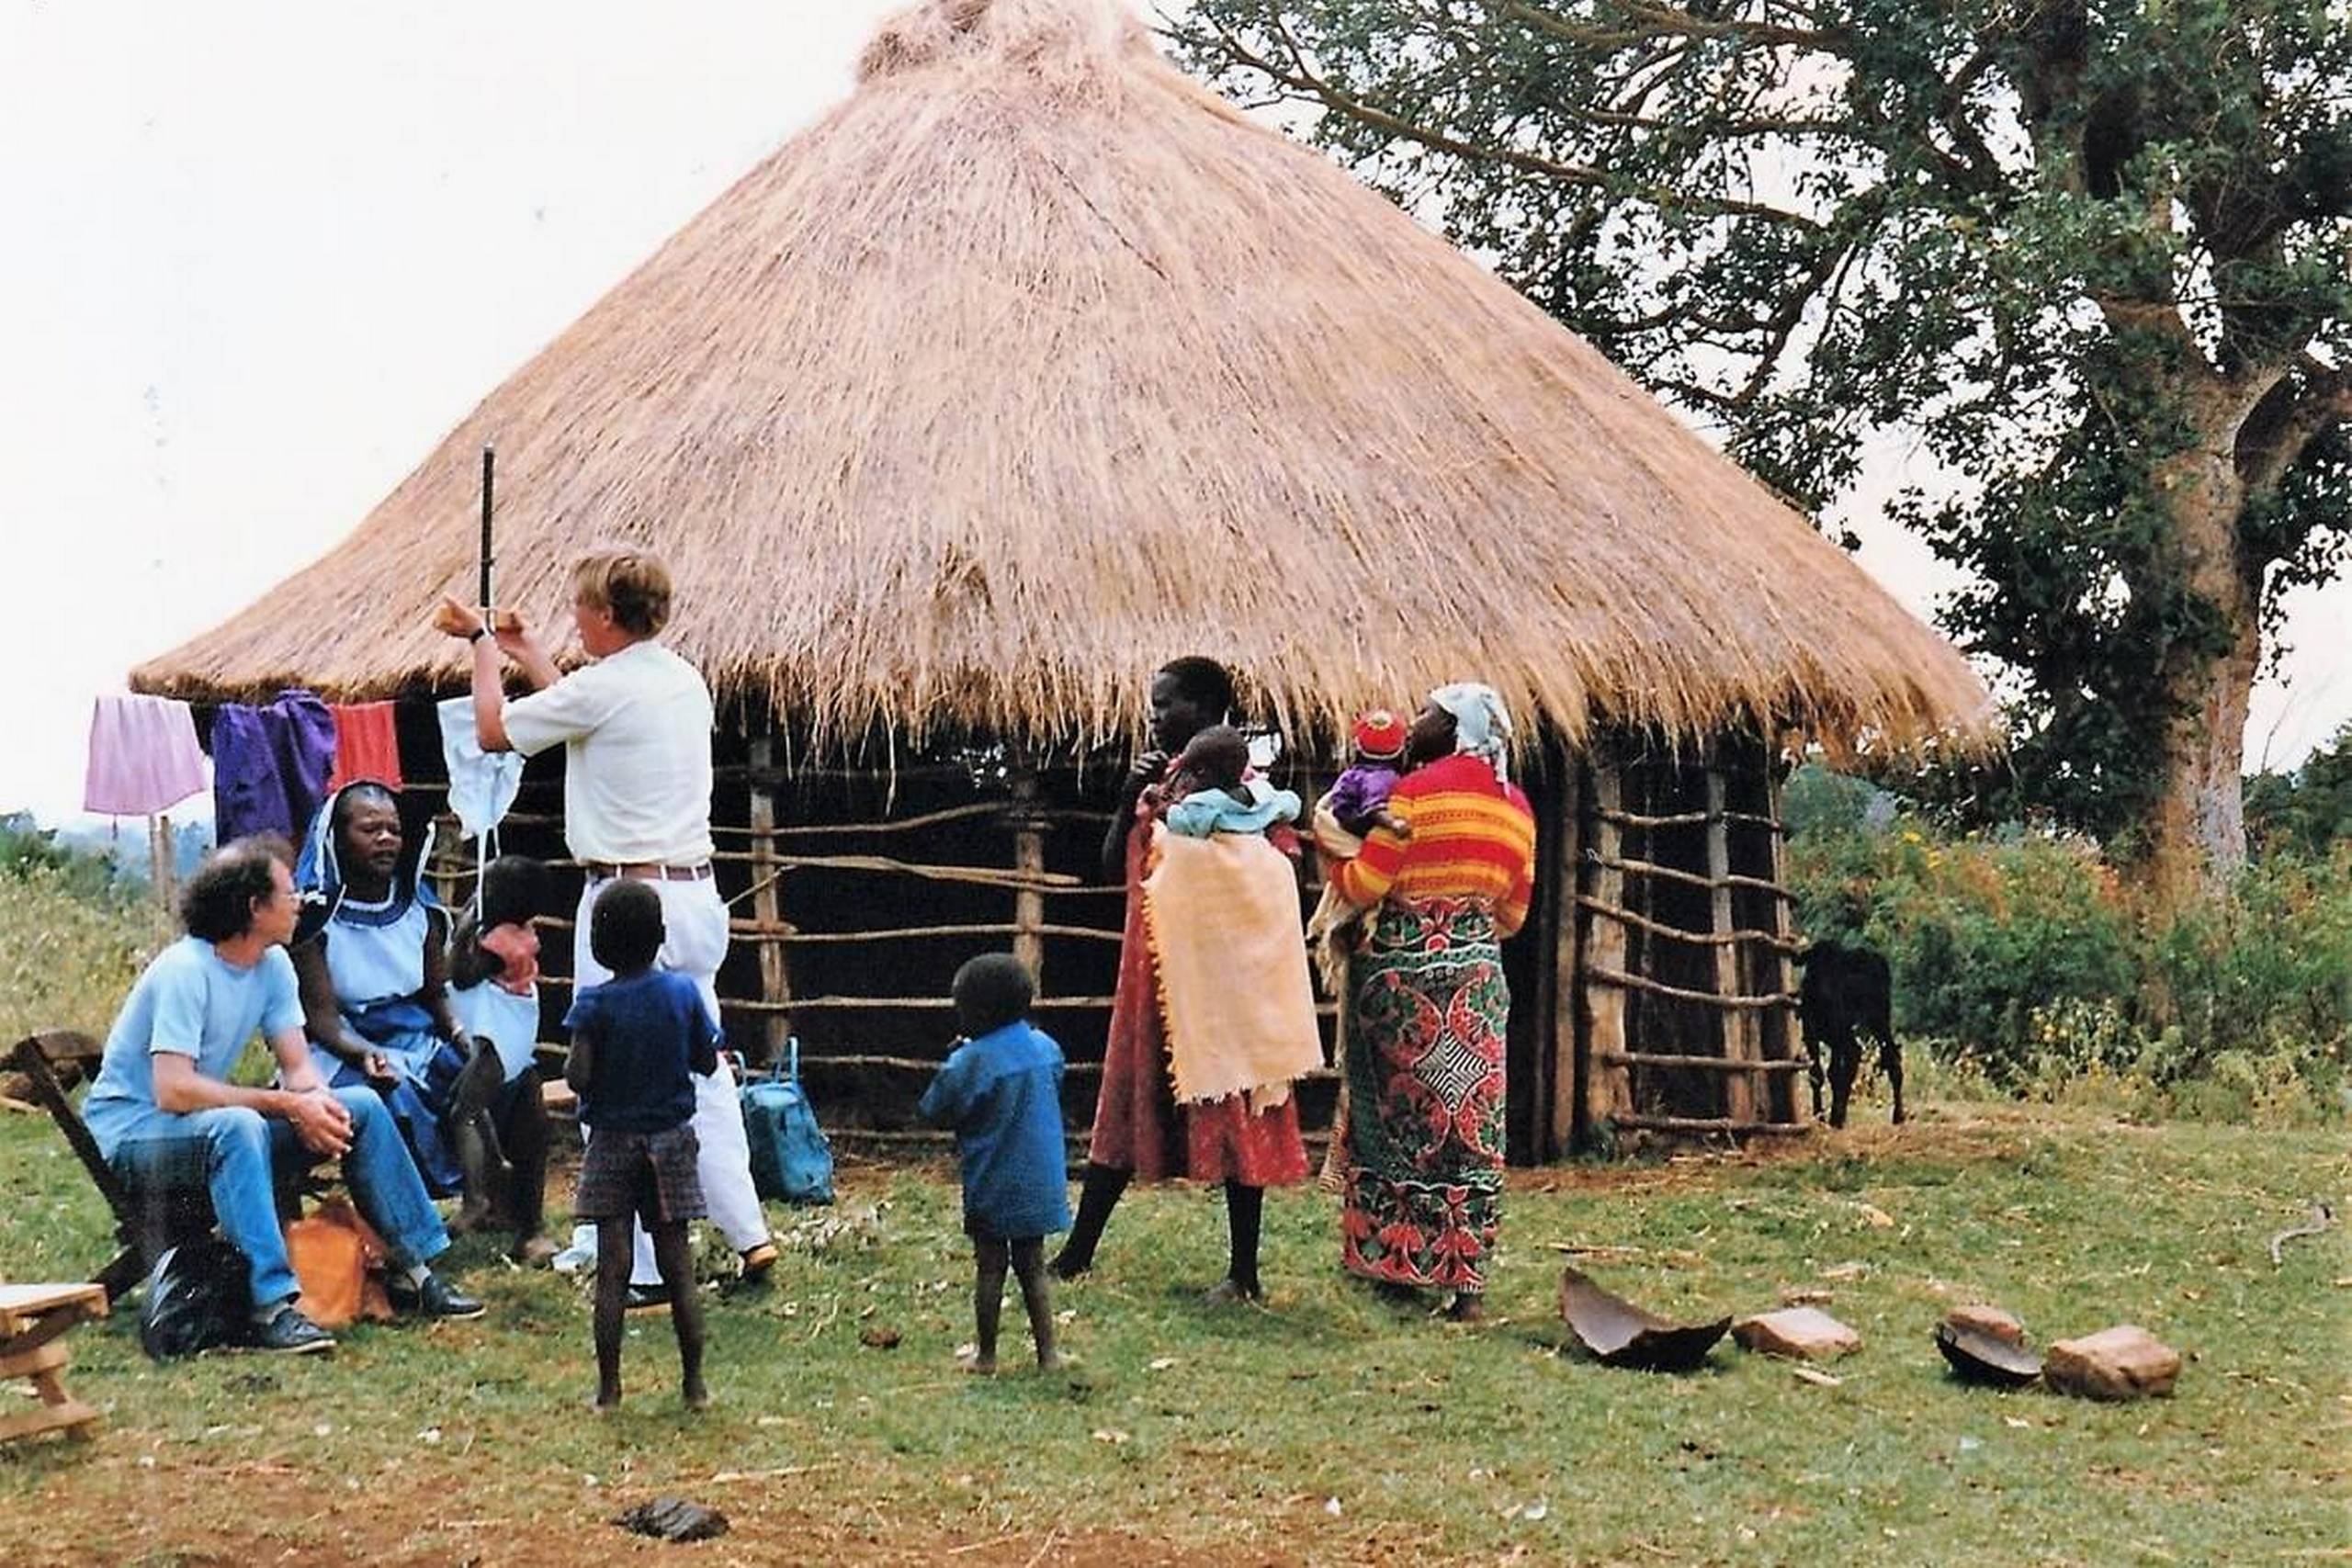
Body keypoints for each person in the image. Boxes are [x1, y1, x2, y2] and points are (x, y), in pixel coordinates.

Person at [437, 547, 776, 1303]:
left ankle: (650, 1270)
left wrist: (482, 646)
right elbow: (584, 710)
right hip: (693, 896)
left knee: (618, 1083)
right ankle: (749, 1234)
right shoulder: (678, 680)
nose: (575, 617)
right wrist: (527, 651)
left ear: (607, 616)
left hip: (626, 903)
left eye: (582, 607)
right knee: (704, 1067)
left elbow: (493, 730)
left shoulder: (607, 688)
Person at [82, 838, 482, 1355]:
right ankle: (270, 1305)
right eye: (289, 893)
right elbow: (174, 1089)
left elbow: (299, 1067)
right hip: (137, 1136)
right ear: (254, 907)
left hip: (202, 1127)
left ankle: (415, 1270)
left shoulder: (272, 966)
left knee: (357, 1103)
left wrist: (316, 1103)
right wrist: (288, 1106)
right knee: (239, 1124)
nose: (301, 902)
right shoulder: (186, 970)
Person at [1051, 658, 1313, 1302]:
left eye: (1167, 704)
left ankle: (1244, 1272)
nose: (1155, 715)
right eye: (1154, 703)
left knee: (1235, 1105)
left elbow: (1274, 878)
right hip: (1152, 973)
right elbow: (1118, 866)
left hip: (1221, 987)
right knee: (1126, 1099)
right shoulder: (1159, 788)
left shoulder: (1249, 793)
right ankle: (1077, 1252)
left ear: (1207, 706)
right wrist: (1124, 804)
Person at [1329, 683, 1537, 1322]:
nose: (1415, 722)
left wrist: (1335, 866)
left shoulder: (1409, 796)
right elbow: (1514, 913)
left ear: (1453, 729)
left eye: (1428, 713)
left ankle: (1394, 1262)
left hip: (1399, 985)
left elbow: (1367, 882)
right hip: (1477, 985)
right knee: (1472, 1130)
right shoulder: (1517, 806)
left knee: (1393, 1125)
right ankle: (1467, 1286)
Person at [288, 782, 511, 1223]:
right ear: (338, 838)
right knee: (387, 1092)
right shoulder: (313, 922)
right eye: (370, 829)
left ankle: (493, 1203)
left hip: (415, 1031)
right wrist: (366, 1052)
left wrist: (461, 1033)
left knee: (484, 1075)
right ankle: (408, 1222)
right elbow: (323, 1019)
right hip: (343, 1044)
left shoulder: (418, 910)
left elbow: (434, 993)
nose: (386, 839)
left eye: (393, 829)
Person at [565, 879, 715, 1412]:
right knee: (679, 1267)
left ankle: (609, 1389)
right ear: (661, 937)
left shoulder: (593, 1005)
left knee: (614, 1268)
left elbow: (578, 1076)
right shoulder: (682, 993)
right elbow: (707, 1061)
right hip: (672, 1141)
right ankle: (694, 1385)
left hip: (611, 1143)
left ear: (598, 943)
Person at [918, 953, 1069, 1374]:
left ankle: (987, 1355)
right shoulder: (1045, 1048)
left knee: (990, 1267)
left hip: (994, 1181)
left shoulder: (971, 1062)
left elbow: (936, 1108)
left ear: (978, 1011)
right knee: (1033, 1267)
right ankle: (1048, 1355)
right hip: (1040, 1180)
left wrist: (957, 1060)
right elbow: (1055, 1079)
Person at [445, 854, 559, 1263]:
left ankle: (476, 1198)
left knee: (465, 1112)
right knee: (472, 1106)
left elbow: (458, 973)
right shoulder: (522, 933)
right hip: (511, 1036)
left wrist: (462, 930)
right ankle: (497, 1165)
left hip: (496, 1042)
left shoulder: (498, 944)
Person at [1159, 724, 1304, 840]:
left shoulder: (1199, 807)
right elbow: (1292, 804)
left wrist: (1162, 805)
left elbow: (1176, 823)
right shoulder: (1264, 798)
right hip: (1255, 864)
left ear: (1200, 771)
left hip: (1217, 870)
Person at [1324, 709, 1411, 840]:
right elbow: (1375, 809)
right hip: (1357, 834)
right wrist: (1394, 823)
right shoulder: (1382, 776)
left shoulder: (1353, 773)